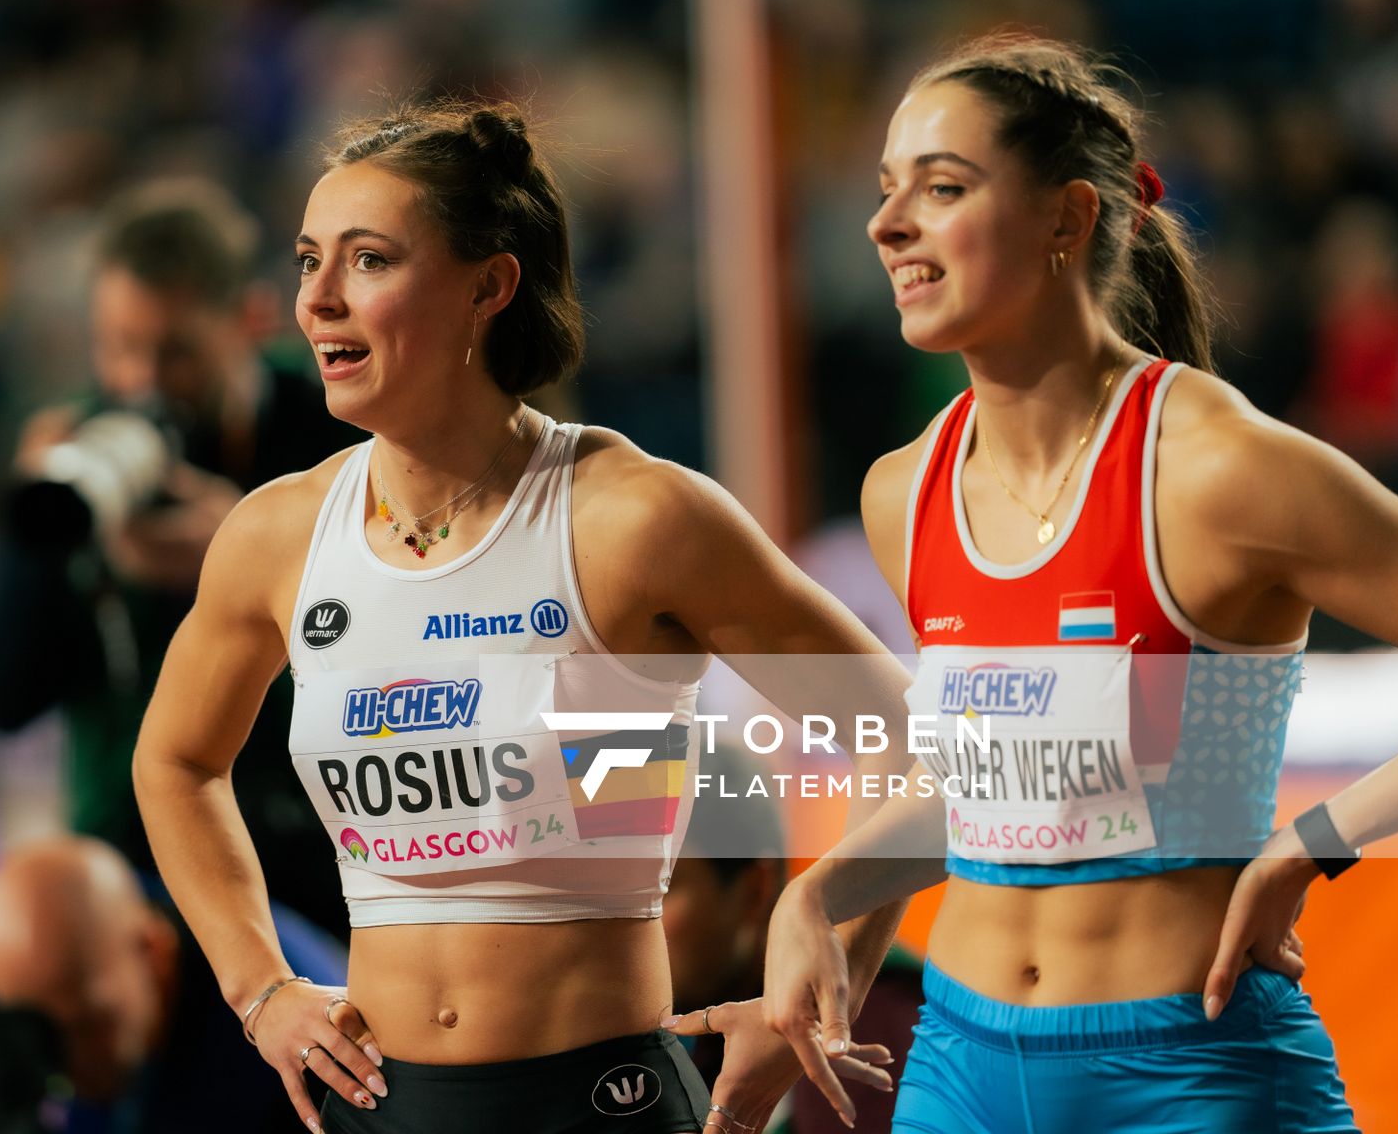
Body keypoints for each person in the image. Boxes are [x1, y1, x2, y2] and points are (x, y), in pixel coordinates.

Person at [131, 100, 909, 1134]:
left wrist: (827, 966)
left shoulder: (632, 518)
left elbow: (918, 743)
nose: (315, 299)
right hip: (376, 1102)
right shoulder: (276, 535)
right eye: (308, 260)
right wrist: (259, 987)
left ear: (490, 285)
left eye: (366, 260)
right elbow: (176, 763)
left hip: (598, 1102)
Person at [761, 32, 1398, 1131]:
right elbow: (990, 797)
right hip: (959, 1065)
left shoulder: (1218, 469)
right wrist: (821, 889)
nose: (889, 225)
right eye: (888, 191)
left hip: (1192, 1072)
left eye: (943, 188)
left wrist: (1314, 842)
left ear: (1068, 220)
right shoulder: (907, 490)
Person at [0, 179, 361, 933]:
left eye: (175, 353)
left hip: (326, 842)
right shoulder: (78, 459)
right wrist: (35, 545)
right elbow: (0, 697)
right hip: (133, 857)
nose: (141, 382)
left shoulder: (339, 433)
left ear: (250, 320)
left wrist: (259, 556)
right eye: (119, 348)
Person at [0, 835, 346, 1133]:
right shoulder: (0, 989)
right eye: (35, 1035)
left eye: (86, 1027)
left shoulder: (298, 1039)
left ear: (154, 952)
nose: (62, 1068)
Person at [662, 748, 921, 1133]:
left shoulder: (876, 1025)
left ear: (753, 890)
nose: (635, 923)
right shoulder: (702, 1030)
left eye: (663, 888)